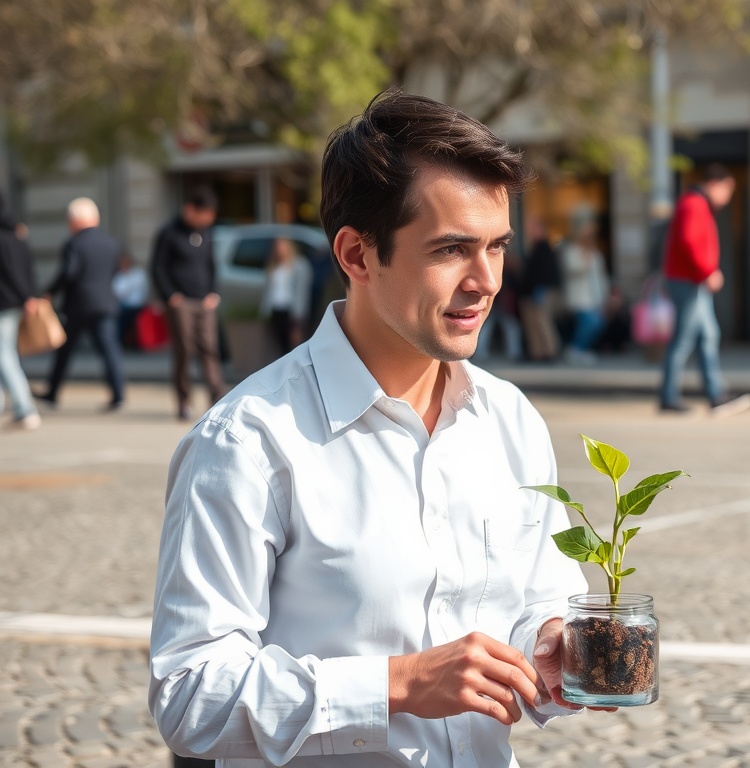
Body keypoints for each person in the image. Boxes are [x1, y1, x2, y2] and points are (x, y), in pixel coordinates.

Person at [148, 90, 596, 768]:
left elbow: (542, 598)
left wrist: (555, 642)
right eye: (452, 249)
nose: (486, 280)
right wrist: (401, 684)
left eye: (497, 247)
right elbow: (190, 697)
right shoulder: (248, 441)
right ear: (358, 256)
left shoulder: (511, 422)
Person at [658, 165, 750, 416]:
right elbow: (689, 241)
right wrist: (707, 271)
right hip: (688, 281)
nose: (727, 198)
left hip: (691, 280)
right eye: (727, 191)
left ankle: (715, 395)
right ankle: (671, 398)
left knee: (707, 336)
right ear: (716, 184)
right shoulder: (694, 204)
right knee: (685, 339)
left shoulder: (694, 203)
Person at [36, 198, 125, 411]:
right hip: (104, 303)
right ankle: (118, 394)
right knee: (110, 351)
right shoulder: (111, 242)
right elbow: (115, 270)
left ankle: (52, 392)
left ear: (75, 220)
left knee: (64, 351)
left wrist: (49, 292)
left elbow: (69, 272)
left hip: (78, 305)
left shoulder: (74, 243)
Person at [150, 185, 226, 420]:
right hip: (180, 302)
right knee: (185, 350)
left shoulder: (206, 234)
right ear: (191, 209)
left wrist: (213, 292)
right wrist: (170, 295)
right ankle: (184, 401)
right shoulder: (169, 233)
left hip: (205, 302)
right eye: (203, 215)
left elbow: (211, 264)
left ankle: (218, 398)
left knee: (210, 349)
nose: (206, 220)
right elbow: (157, 267)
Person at [0, 190, 42, 431]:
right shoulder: (17, 236)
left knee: (5, 356)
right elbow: (28, 268)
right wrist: (30, 296)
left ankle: (24, 408)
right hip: (16, 303)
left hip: (4, 304)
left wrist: (26, 296)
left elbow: (11, 272)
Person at [560, 205, 609, 365]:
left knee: (596, 323)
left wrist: (606, 295)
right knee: (592, 322)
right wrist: (585, 257)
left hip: (594, 296)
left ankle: (580, 349)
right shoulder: (572, 251)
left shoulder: (596, 253)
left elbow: (601, 276)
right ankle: (576, 349)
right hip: (579, 297)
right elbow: (573, 269)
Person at [518, 216, 562, 362]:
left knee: (542, 321)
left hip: (540, 290)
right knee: (536, 323)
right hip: (534, 290)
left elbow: (540, 273)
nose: (530, 231)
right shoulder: (538, 247)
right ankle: (538, 352)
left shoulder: (543, 248)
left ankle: (549, 351)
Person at [259, 237, 313, 356]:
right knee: (279, 342)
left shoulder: (300, 264)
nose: (279, 249)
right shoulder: (273, 265)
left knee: (294, 343)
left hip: (291, 309)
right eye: (277, 246)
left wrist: (299, 314)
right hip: (276, 307)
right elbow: (268, 289)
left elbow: (302, 290)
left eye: (282, 246)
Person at [111, 252, 149, 349]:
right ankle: (121, 342)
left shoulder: (138, 273)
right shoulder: (118, 275)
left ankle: (136, 342)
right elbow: (118, 292)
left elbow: (143, 289)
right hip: (123, 305)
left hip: (137, 305)